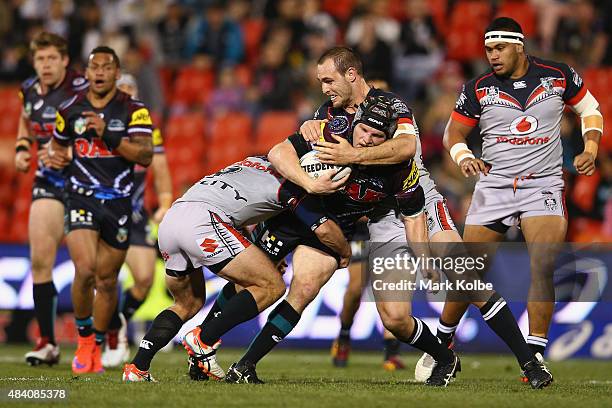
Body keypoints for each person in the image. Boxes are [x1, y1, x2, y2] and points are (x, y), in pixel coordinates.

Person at [301, 47, 553, 388]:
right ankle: (446, 357)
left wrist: (353, 153)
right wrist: (307, 130)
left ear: (351, 75)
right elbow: (313, 150)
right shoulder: (327, 113)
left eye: (328, 80)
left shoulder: (393, 106)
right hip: (382, 219)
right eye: (320, 82)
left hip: (420, 201)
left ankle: (530, 363)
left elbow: (405, 149)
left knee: (467, 280)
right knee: (394, 319)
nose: (324, 89)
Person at [186, 96, 459, 387]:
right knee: (248, 281)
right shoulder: (332, 132)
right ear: (356, 123)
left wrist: (423, 259)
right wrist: (309, 181)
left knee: (303, 290)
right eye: (364, 130)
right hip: (293, 215)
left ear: (387, 139)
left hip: (335, 230)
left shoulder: (398, 169)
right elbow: (278, 152)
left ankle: (246, 366)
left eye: (377, 136)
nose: (367, 139)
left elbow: (414, 215)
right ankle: (203, 346)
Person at [439, 16, 602, 383]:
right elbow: (453, 133)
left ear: (519, 46)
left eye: (498, 48)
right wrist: (465, 157)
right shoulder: (478, 87)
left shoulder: (559, 74)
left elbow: (590, 110)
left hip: (542, 186)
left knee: (543, 265)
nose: (491, 56)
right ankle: (442, 343)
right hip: (494, 185)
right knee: (469, 276)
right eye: (488, 49)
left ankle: (536, 358)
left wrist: (590, 146)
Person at [121, 156, 350, 382]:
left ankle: (138, 367)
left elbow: (239, 207)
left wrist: (257, 257)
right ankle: (204, 339)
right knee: (271, 285)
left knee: (186, 303)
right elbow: (324, 230)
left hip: (172, 220)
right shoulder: (290, 186)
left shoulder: (252, 161)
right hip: (204, 222)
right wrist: (345, 252)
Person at [46, 46, 154, 375]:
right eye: (94, 66)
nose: (99, 72)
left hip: (119, 201)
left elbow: (145, 155)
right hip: (80, 197)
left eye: (107, 67)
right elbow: (58, 146)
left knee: (107, 282)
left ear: (116, 72)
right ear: (87, 71)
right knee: (86, 268)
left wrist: (106, 133)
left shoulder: (134, 110)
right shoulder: (70, 109)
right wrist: (55, 156)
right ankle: (82, 340)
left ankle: (95, 342)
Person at [16, 32, 88, 366]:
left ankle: (99, 337)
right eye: (40, 59)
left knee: (91, 269)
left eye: (50, 59)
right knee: (40, 260)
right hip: (48, 181)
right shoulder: (29, 90)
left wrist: (68, 150)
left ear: (64, 61)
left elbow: (97, 136)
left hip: (86, 182)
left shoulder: (81, 91)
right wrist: (22, 149)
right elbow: (26, 120)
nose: (45, 65)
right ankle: (47, 342)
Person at [102, 73, 173, 368]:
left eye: (131, 87)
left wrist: (166, 198)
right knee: (100, 278)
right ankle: (99, 337)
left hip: (133, 213)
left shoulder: (146, 127)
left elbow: (160, 164)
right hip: (100, 208)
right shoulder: (95, 123)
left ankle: (117, 322)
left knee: (144, 278)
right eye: (122, 88)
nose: (126, 92)